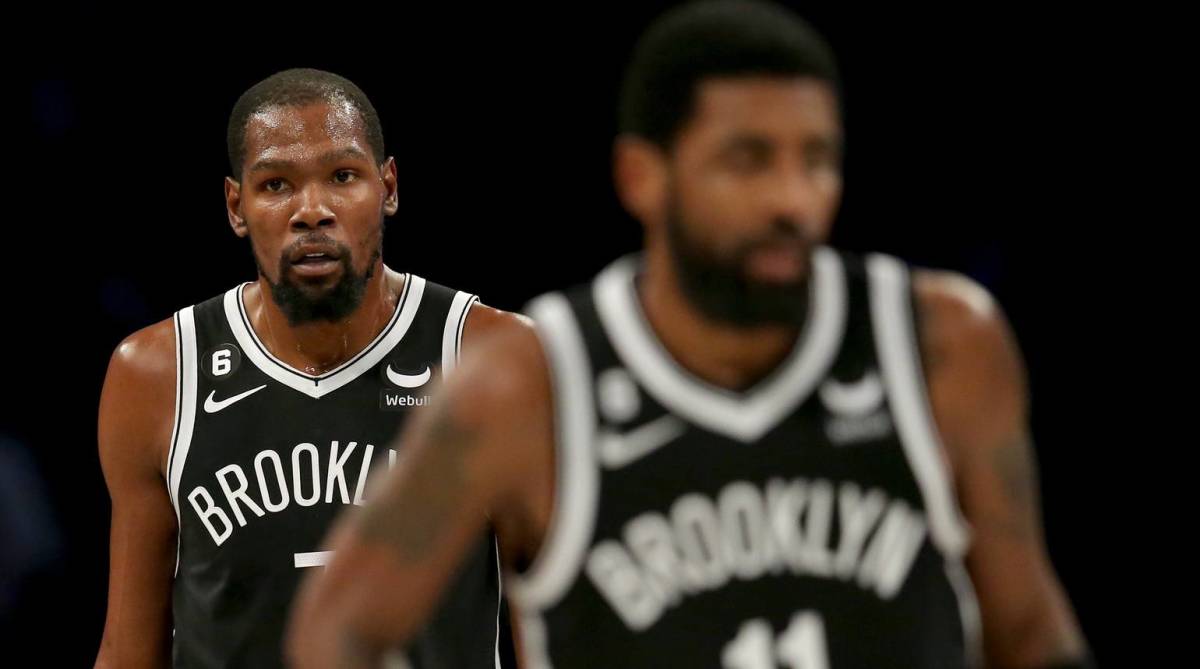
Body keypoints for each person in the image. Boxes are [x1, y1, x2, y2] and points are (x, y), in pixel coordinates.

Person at [287, 3, 1091, 667]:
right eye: (749, 160)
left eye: (816, 160)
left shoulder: (939, 343)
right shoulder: (526, 384)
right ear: (643, 175)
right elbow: (339, 630)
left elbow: (1028, 628)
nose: (792, 198)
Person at [94, 68, 516, 668]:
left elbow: (555, 628)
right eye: (276, 185)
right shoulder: (157, 374)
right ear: (236, 206)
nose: (311, 210)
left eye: (342, 176)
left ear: (389, 187)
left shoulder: (491, 358)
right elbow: (128, 650)